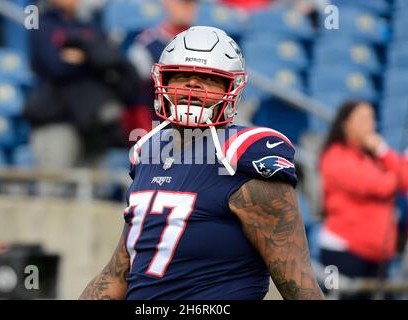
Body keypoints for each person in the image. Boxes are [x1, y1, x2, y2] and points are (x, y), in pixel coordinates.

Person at [79, 26, 324, 300]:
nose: (193, 84)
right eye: (181, 76)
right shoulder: (148, 152)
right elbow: (117, 274)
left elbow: (300, 286)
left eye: (208, 79)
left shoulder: (243, 156)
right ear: (164, 83)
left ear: (231, 88)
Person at [24, 0, 139, 168]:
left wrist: (83, 56)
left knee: (91, 188)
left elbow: (114, 61)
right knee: (53, 188)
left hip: (93, 125)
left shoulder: (90, 26)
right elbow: (56, 65)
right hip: (56, 120)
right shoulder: (41, 24)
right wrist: (94, 59)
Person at [318, 100, 408, 299]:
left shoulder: (377, 156)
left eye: (372, 118)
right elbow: (376, 185)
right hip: (342, 252)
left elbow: (405, 178)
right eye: (363, 118)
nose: (370, 124)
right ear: (345, 123)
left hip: (378, 256)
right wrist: (394, 176)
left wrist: (384, 151)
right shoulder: (335, 155)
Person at [124, 0, 199, 134]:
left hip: (198, 126)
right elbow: (137, 95)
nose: (188, 8)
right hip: (157, 126)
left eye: (192, 3)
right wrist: (145, 132)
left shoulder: (206, 44)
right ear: (167, 3)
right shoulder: (147, 44)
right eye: (182, 2)